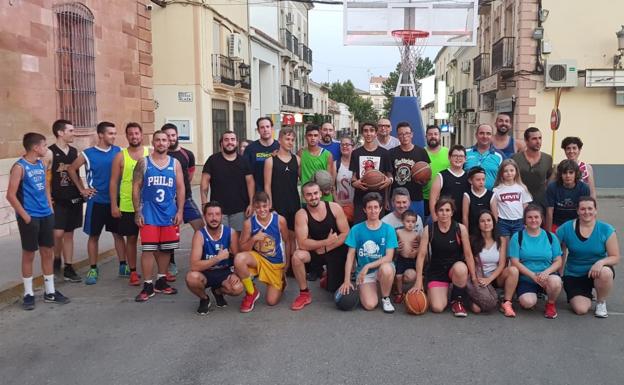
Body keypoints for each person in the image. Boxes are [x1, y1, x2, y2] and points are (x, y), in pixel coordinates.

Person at [6, 133, 70, 310]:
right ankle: (28, 293)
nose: (46, 149)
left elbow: (45, 188)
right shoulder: (19, 167)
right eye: (44, 145)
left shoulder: (41, 164)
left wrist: (50, 207)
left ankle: (50, 291)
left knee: (47, 251)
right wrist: (25, 215)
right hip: (30, 216)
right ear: (35, 147)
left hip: (45, 214)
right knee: (29, 254)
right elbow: (10, 195)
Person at [67, 121, 124, 285]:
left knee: (118, 235)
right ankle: (93, 268)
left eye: (114, 133)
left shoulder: (119, 151)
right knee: (94, 236)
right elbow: (71, 169)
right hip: (97, 201)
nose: (113, 136)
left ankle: (123, 265)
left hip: (115, 200)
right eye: (110, 133)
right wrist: (82, 189)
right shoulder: (88, 153)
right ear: (101, 135)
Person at [133, 131, 185, 302]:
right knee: (148, 250)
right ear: (153, 142)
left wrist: (180, 211)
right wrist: (137, 211)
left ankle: (161, 281)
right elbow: (135, 188)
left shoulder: (175, 163)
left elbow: (180, 188)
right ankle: (148, 284)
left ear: (169, 143)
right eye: (158, 140)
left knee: (165, 249)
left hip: (169, 213)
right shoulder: (144, 162)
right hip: (149, 213)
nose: (161, 143)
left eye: (164, 140)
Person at [410, 198, 477, 317]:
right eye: (441, 210)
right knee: (437, 307)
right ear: (436, 212)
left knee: (461, 268)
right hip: (437, 270)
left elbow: (468, 255)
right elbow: (420, 257)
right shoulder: (429, 229)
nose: (444, 213)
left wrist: (474, 277)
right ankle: (449, 289)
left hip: (454, 268)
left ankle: (457, 301)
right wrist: (418, 280)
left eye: (447, 210)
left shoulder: (460, 228)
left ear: (452, 212)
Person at [290, 182, 350, 310]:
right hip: (316, 250)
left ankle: (328, 279)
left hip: (335, 248)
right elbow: (302, 243)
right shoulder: (301, 214)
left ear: (321, 193)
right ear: (303, 197)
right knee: (297, 256)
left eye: (315, 193)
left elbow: (346, 233)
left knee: (333, 290)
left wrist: (328, 246)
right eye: (309, 195)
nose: (313, 197)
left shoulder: (334, 207)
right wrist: (324, 243)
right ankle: (304, 293)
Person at [557, 197, 620, 318]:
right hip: (574, 273)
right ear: (577, 211)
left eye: (590, 208)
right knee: (581, 309)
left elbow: (615, 257)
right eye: (583, 209)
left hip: (597, 271)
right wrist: (556, 273)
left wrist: (600, 263)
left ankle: (601, 302)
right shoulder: (566, 228)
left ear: (595, 210)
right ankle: (587, 293)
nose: (587, 212)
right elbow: (553, 248)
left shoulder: (606, 229)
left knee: (606, 272)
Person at [338, 192, 398, 313]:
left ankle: (385, 297)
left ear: (381, 209)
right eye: (369, 208)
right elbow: (350, 256)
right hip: (365, 273)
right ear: (365, 210)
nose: (373, 211)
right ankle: (375, 288)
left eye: (376, 207)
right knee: (370, 305)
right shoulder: (356, 229)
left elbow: (389, 257)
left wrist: (368, 266)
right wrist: (347, 280)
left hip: (381, 268)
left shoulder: (388, 229)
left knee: (386, 269)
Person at [234, 192, 290, 313]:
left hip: (275, 263)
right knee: (239, 259)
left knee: (271, 301)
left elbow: (287, 241)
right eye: (258, 207)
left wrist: (288, 263)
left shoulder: (280, 220)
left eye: (264, 206)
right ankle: (251, 292)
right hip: (259, 260)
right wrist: (253, 239)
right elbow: (242, 248)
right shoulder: (249, 223)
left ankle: (281, 280)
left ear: (270, 205)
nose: (262, 210)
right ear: (254, 207)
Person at [185, 201, 244, 315]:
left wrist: (236, 273)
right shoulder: (200, 235)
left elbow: (238, 257)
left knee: (238, 288)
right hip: (206, 274)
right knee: (191, 278)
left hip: (224, 273)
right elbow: (194, 265)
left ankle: (218, 291)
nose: (214, 218)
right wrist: (217, 258)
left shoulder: (230, 233)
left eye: (217, 214)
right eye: (210, 214)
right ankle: (204, 298)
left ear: (222, 216)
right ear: (205, 216)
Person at [163, 123, 204, 279]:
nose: (171, 138)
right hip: (167, 202)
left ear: (177, 135)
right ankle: (171, 262)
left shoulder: (187, 154)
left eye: (173, 135)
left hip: (185, 198)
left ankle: (200, 258)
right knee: (170, 232)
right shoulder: (161, 155)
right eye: (167, 136)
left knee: (201, 227)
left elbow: (190, 176)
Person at [109, 122, 149, 286]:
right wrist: (114, 205)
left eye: (136, 133)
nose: (134, 136)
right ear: (127, 136)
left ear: (141, 135)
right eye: (131, 134)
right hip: (127, 205)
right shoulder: (120, 156)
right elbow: (113, 182)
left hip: (147, 205)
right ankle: (133, 271)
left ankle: (157, 271)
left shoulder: (150, 153)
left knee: (151, 241)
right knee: (131, 239)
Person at [508, 204, 563, 319]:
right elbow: (515, 262)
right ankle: (531, 295)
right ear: (525, 220)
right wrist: (533, 276)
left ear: (542, 219)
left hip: (546, 275)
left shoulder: (550, 237)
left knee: (556, 282)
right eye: (530, 217)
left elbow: (558, 261)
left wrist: (546, 272)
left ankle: (550, 304)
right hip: (527, 278)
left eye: (536, 217)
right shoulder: (517, 237)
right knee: (527, 303)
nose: (533, 220)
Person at [44, 119, 82, 283]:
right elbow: (46, 178)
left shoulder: (74, 152)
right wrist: (47, 198)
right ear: (60, 132)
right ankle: (56, 257)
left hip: (73, 197)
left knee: (69, 234)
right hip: (57, 199)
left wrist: (82, 190)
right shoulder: (49, 152)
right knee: (57, 233)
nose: (74, 133)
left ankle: (68, 266)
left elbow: (77, 174)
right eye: (71, 130)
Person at [201, 131, 254, 233]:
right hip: (218, 210)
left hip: (240, 210)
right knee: (220, 240)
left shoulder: (244, 161)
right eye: (226, 140)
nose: (230, 142)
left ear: (237, 143)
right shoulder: (212, 160)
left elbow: (250, 183)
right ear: (221, 143)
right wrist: (204, 204)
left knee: (238, 242)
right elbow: (204, 183)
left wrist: (251, 204)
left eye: (232, 139)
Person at [469, 210, 519, 317]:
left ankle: (506, 303)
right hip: (480, 278)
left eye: (489, 220)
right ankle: (473, 299)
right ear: (478, 224)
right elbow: (471, 263)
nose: (486, 223)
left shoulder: (501, 239)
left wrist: (489, 279)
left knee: (513, 270)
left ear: (493, 222)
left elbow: (502, 264)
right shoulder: (473, 240)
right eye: (482, 221)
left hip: (495, 277)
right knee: (477, 309)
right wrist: (478, 279)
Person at [264, 127, 300, 262]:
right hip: (278, 204)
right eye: (287, 139)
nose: (290, 142)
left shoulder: (297, 159)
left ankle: (290, 266)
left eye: (292, 140)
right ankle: (277, 266)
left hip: (293, 203)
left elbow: (304, 181)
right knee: (278, 237)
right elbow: (267, 185)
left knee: (292, 237)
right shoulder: (270, 160)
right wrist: (270, 206)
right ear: (279, 140)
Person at [350, 122, 393, 223]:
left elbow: (389, 176)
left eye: (371, 131)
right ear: (362, 134)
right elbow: (353, 177)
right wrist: (354, 183)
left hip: (379, 199)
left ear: (376, 133)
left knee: (377, 229)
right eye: (365, 131)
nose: (368, 134)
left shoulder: (384, 153)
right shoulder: (356, 153)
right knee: (360, 229)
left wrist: (389, 181)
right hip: (360, 199)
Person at [388, 121, 431, 218]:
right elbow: (389, 176)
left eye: (407, 133)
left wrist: (423, 180)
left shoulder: (421, 152)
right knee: (396, 228)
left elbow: (427, 174)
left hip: (416, 197)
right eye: (401, 134)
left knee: (416, 227)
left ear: (412, 134)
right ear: (397, 136)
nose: (404, 136)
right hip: (397, 199)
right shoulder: (391, 153)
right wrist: (387, 198)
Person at [512, 127, 553, 211]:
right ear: (526, 141)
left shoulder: (548, 159)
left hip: (540, 204)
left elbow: (549, 180)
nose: (538, 142)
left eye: (540, 138)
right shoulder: (515, 158)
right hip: (519, 202)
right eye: (534, 139)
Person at [491, 159, 532, 241]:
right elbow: (494, 209)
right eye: (505, 171)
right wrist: (495, 224)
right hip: (503, 222)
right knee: (505, 246)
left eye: (511, 170)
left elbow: (525, 206)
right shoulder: (496, 190)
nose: (509, 173)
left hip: (519, 221)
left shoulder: (522, 188)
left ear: (516, 172)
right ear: (501, 173)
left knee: (517, 243)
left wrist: (526, 221)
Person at [545, 160, 590, 232]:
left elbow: (585, 211)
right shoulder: (552, 187)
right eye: (564, 173)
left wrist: (585, 230)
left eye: (571, 172)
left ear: (576, 174)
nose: (568, 176)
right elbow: (549, 212)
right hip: (556, 223)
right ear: (560, 174)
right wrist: (549, 234)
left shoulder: (583, 188)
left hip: (576, 223)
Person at [429, 145, 469, 223]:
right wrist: (435, 220)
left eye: (461, 156)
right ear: (449, 157)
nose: (458, 158)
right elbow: (433, 199)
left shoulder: (469, 177)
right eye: (455, 156)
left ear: (465, 159)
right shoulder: (441, 176)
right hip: (444, 220)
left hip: (463, 220)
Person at [393, 210, 422, 303]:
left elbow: (422, 246)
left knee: (418, 274)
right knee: (398, 276)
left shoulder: (416, 234)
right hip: (401, 258)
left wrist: (417, 251)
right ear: (402, 221)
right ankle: (400, 293)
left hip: (412, 259)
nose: (410, 224)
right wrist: (396, 249)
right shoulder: (398, 232)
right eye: (408, 221)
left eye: (413, 222)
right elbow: (393, 245)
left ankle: (420, 290)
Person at [243, 116, 279, 191]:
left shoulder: (280, 147)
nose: (265, 130)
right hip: (258, 193)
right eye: (262, 127)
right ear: (258, 130)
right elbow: (247, 174)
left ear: (272, 129)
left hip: (278, 191)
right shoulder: (250, 149)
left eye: (267, 127)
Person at [464, 124, 503, 190]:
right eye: (481, 133)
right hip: (469, 196)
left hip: (491, 197)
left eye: (488, 134)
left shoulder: (499, 156)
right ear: (476, 135)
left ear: (492, 136)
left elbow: (504, 178)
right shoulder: (465, 153)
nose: (485, 136)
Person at [422, 125, 450, 218]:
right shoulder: (420, 152)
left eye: (435, 134)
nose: (433, 136)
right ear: (426, 136)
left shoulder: (448, 152)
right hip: (425, 197)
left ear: (440, 136)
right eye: (430, 134)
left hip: (444, 198)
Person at [299, 124, 335, 193]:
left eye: (315, 135)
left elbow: (329, 177)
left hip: (324, 195)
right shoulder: (300, 153)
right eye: (310, 135)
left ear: (319, 137)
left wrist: (326, 190)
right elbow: (300, 175)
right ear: (305, 137)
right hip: (307, 195)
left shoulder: (328, 154)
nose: (313, 138)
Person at [462, 166, 493, 234]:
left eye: (483, 179)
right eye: (478, 180)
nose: (481, 182)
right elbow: (465, 217)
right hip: (473, 232)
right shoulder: (467, 195)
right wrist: (466, 234)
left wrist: (493, 233)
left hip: (487, 232)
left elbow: (495, 217)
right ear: (470, 181)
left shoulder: (491, 195)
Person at [335, 135, 355, 223]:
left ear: (353, 147)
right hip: (341, 206)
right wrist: (338, 203)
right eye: (342, 145)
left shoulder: (358, 164)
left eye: (347, 144)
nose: (344, 146)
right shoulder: (335, 164)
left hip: (356, 205)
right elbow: (331, 187)